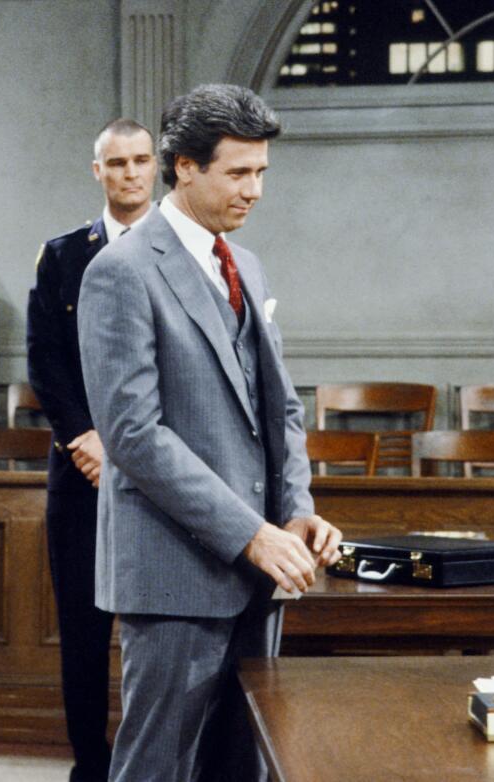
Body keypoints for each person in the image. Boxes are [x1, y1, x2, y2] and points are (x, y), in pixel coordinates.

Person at [77, 84, 342, 782]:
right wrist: (250, 534)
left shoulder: (244, 265)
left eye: (261, 173)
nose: (254, 190)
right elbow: (134, 436)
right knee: (157, 767)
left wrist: (297, 509)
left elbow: (279, 407)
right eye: (238, 172)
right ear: (185, 166)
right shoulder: (120, 272)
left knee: (243, 765)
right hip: (174, 573)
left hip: (260, 573)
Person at [26, 118, 156, 782]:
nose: (130, 174)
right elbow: (44, 357)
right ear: (96, 171)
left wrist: (135, 450)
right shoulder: (62, 255)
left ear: (156, 167)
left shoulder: (183, 250)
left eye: (140, 161)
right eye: (117, 163)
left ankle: (148, 763)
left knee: (154, 631)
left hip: (162, 474)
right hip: (79, 469)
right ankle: (90, 765)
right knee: (82, 630)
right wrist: (84, 439)